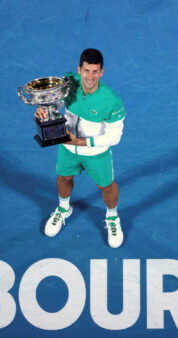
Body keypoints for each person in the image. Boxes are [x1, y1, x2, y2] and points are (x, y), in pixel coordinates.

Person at [34, 48, 126, 248]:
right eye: (86, 71)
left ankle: (112, 217)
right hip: (68, 148)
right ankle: (64, 208)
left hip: (96, 152)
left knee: (107, 186)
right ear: (79, 69)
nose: (90, 77)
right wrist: (46, 109)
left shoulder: (112, 101)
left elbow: (114, 137)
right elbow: (57, 103)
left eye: (95, 71)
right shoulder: (68, 82)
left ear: (102, 72)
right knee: (63, 178)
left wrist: (81, 142)